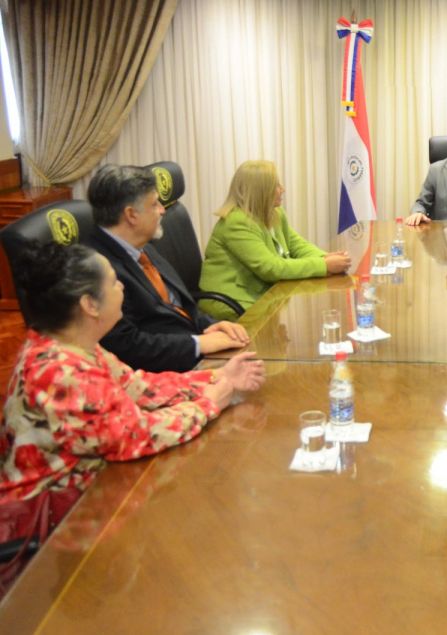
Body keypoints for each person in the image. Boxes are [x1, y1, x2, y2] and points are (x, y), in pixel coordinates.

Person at [0, 242, 265, 590]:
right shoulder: (62, 373)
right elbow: (137, 435)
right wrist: (210, 402)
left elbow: (139, 386)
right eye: (113, 281)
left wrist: (217, 377)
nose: (122, 286)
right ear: (89, 304)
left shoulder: (74, 345)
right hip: (56, 527)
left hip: (92, 492)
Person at [86, 164, 250, 373]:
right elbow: (127, 346)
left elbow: (180, 305)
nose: (163, 210)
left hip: (195, 349)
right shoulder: (97, 269)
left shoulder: (143, 246)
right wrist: (197, 344)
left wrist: (210, 325)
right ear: (131, 215)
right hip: (168, 372)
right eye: (155, 204)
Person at [199, 160, 351, 319]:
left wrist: (325, 257)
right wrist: (324, 265)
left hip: (262, 294)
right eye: (276, 185)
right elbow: (270, 268)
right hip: (233, 303)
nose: (282, 189)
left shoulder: (274, 213)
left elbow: (296, 245)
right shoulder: (236, 222)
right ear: (261, 191)